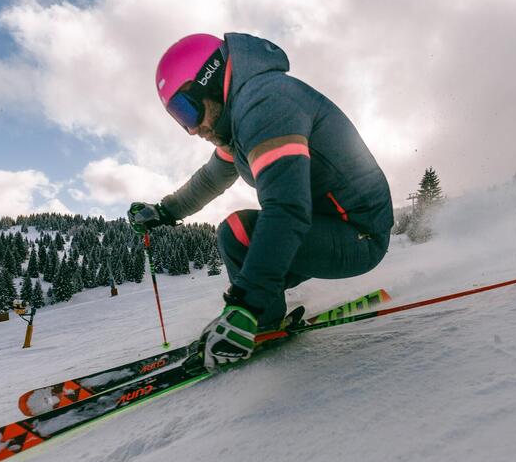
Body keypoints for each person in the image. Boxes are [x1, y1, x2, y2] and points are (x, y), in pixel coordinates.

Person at [129, 32, 393, 371]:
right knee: (234, 234)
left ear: (209, 80)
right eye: (179, 121)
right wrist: (164, 211)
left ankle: (258, 322)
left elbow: (287, 209)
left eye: (187, 111)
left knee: (240, 230)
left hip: (359, 235)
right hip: (324, 228)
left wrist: (245, 307)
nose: (192, 130)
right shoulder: (240, 120)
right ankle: (263, 319)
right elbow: (210, 178)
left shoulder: (266, 104)